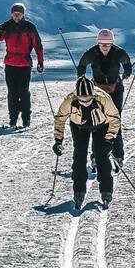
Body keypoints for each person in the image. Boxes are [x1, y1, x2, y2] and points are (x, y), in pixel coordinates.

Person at [52, 76, 121, 209]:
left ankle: (106, 191)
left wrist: (110, 139)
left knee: (102, 156)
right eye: (81, 99)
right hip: (79, 127)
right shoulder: (69, 100)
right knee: (79, 155)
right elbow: (60, 119)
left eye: (88, 99)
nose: (85, 102)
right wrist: (58, 140)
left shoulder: (103, 98)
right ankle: (79, 190)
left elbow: (114, 119)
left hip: (101, 125)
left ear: (93, 94)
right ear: (76, 95)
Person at [76, 29, 131, 172]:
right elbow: (82, 64)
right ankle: (96, 156)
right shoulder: (91, 53)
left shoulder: (119, 52)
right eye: (102, 44)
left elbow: (127, 62)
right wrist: (81, 76)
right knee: (97, 122)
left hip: (116, 90)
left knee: (115, 121)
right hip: (98, 91)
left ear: (112, 43)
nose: (105, 47)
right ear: (98, 43)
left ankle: (118, 155)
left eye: (108, 44)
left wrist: (127, 72)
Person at [0, 2, 45, 128]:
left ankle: (26, 119)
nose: (16, 16)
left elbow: (38, 45)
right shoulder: (6, 26)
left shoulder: (30, 27)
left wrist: (40, 62)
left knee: (23, 92)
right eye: (14, 14)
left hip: (25, 65)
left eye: (19, 14)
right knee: (12, 93)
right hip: (10, 64)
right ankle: (13, 119)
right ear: (11, 14)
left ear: (23, 14)